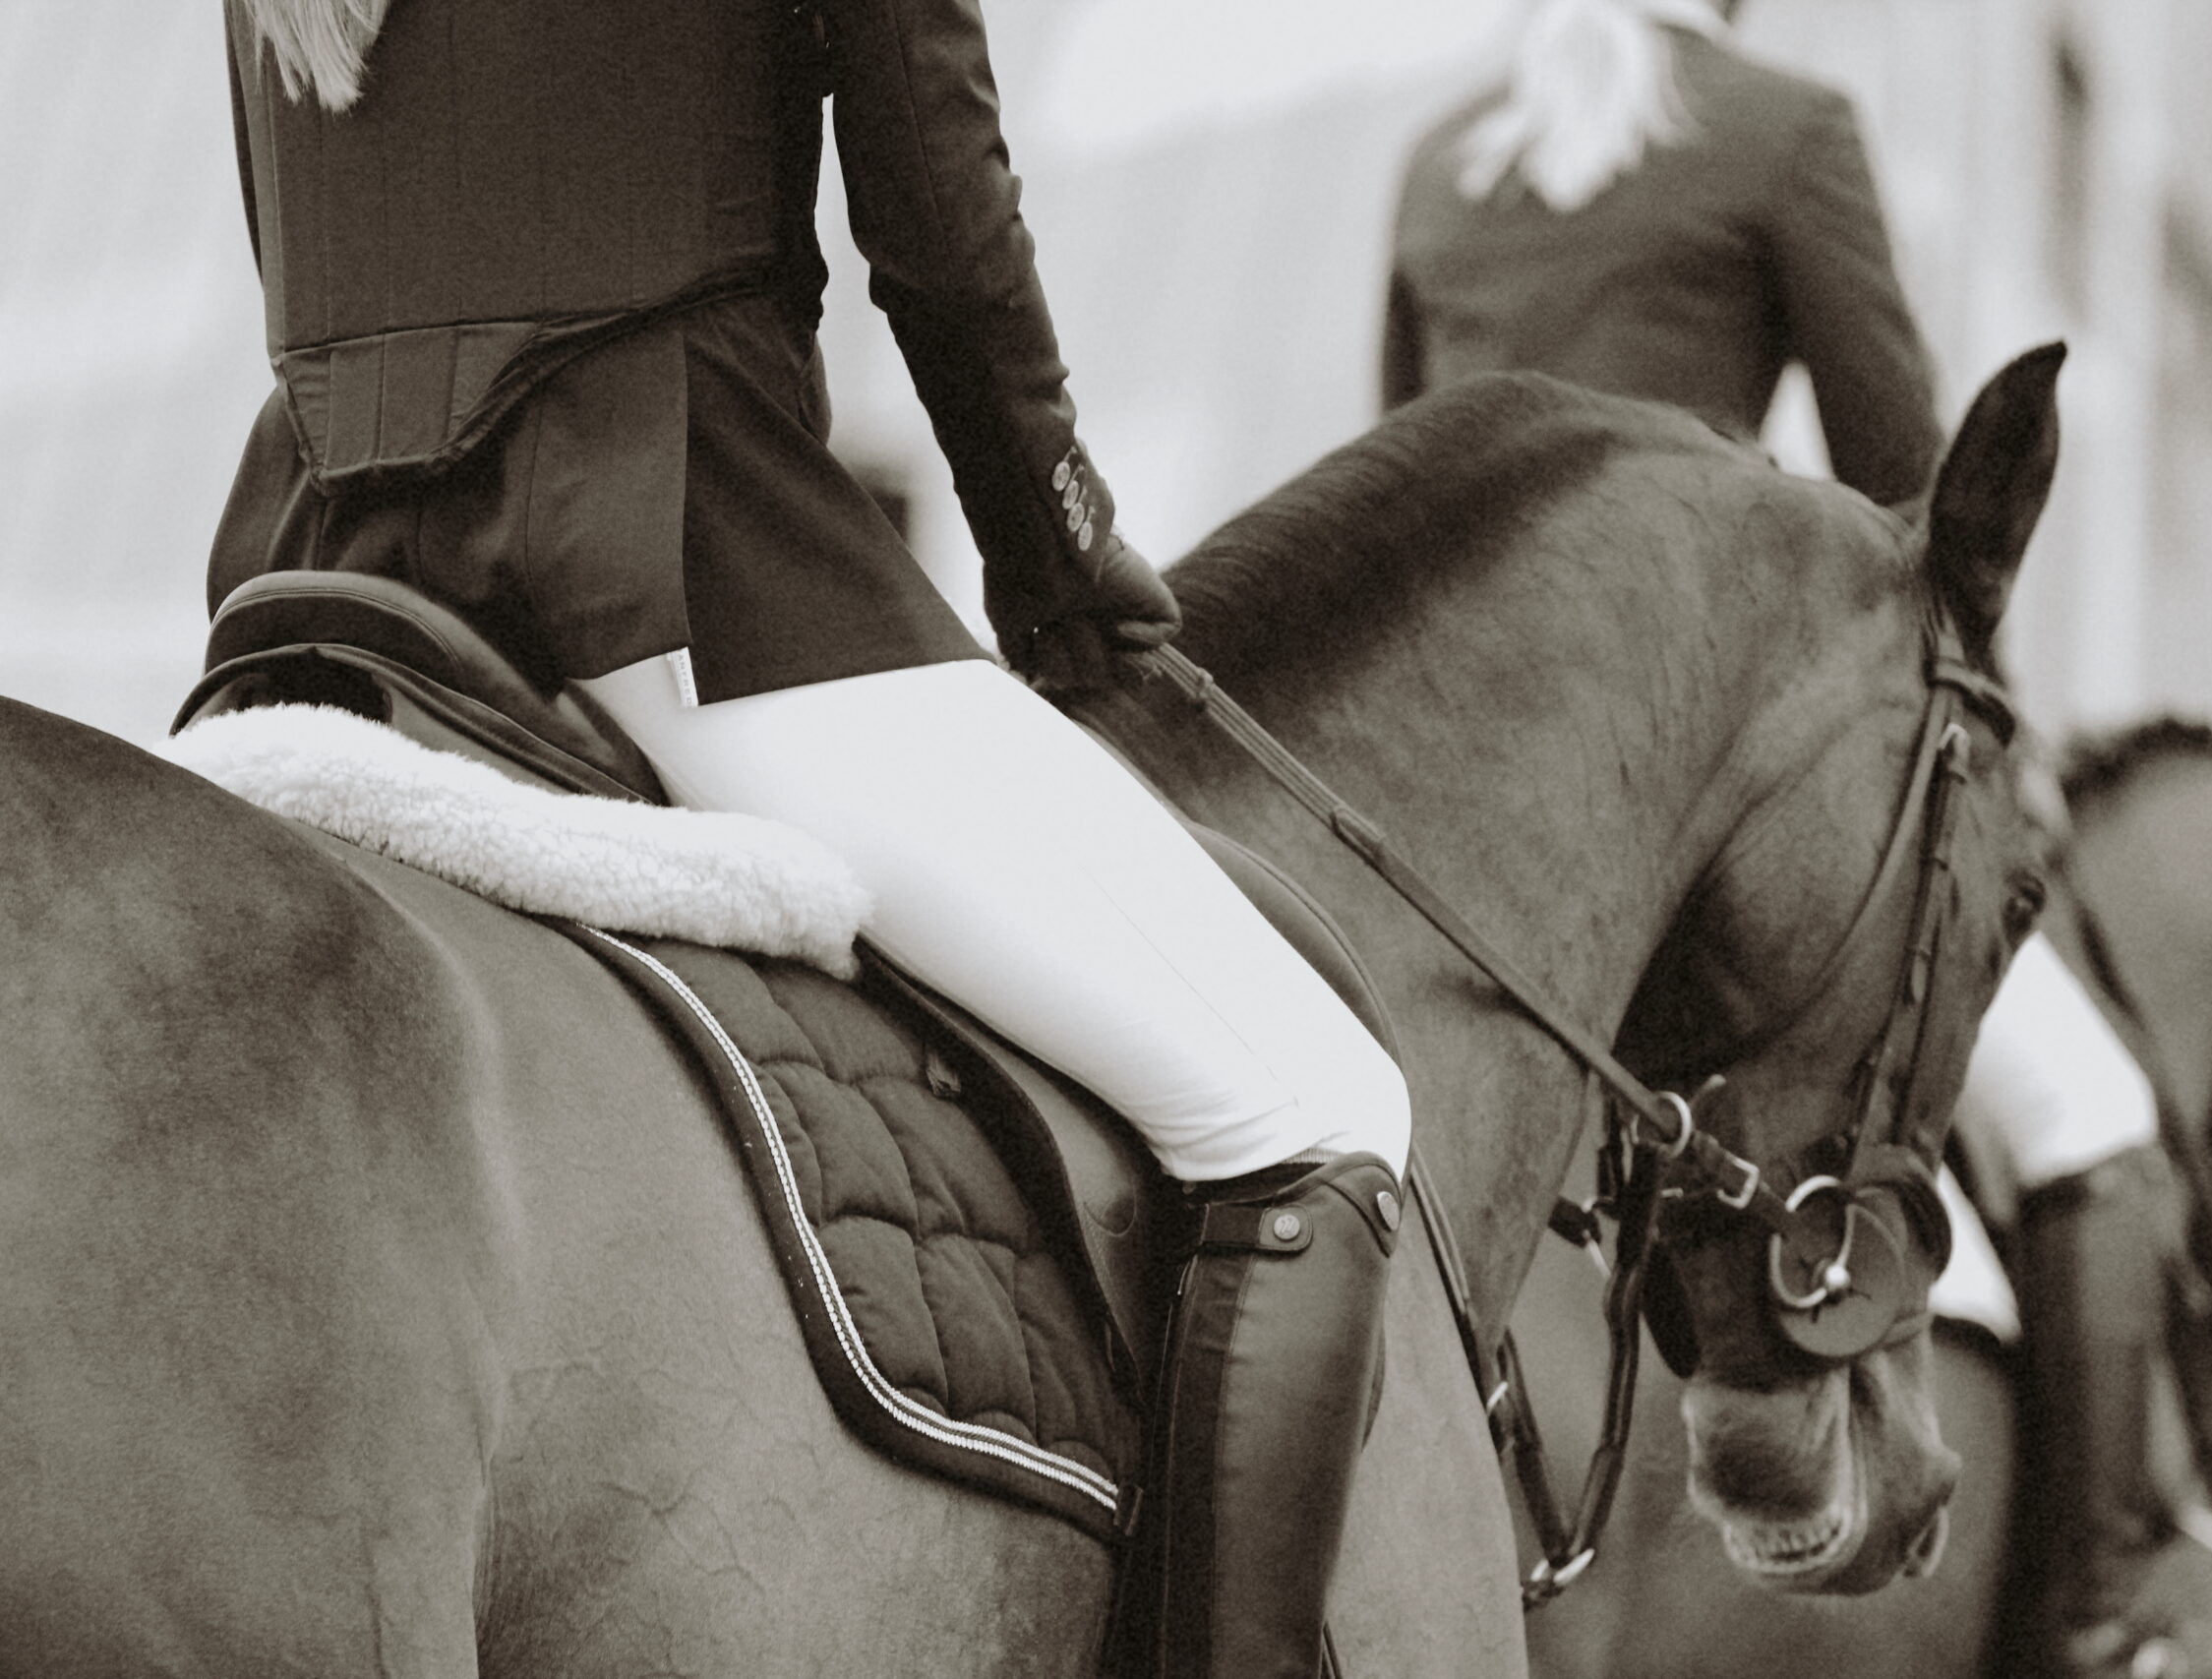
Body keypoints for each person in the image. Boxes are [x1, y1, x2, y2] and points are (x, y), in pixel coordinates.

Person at [211, 3, 1407, 1674]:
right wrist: (1057, 554)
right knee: (1310, 1101)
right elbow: (936, 209)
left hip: (324, 593)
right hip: (685, 563)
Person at [1384, 5, 2212, 1674]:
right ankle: (2096, 1610)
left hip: (1474, 840)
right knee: (2088, 1110)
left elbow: (1409, 492)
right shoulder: (1784, 129)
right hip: (1706, 798)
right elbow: (1919, 520)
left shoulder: (1438, 167)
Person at [1382, 0, 1939, 508]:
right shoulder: (1796, 129)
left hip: (1459, 607)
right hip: (1675, 599)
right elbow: (1897, 471)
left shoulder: (1436, 161)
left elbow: (1391, 471)